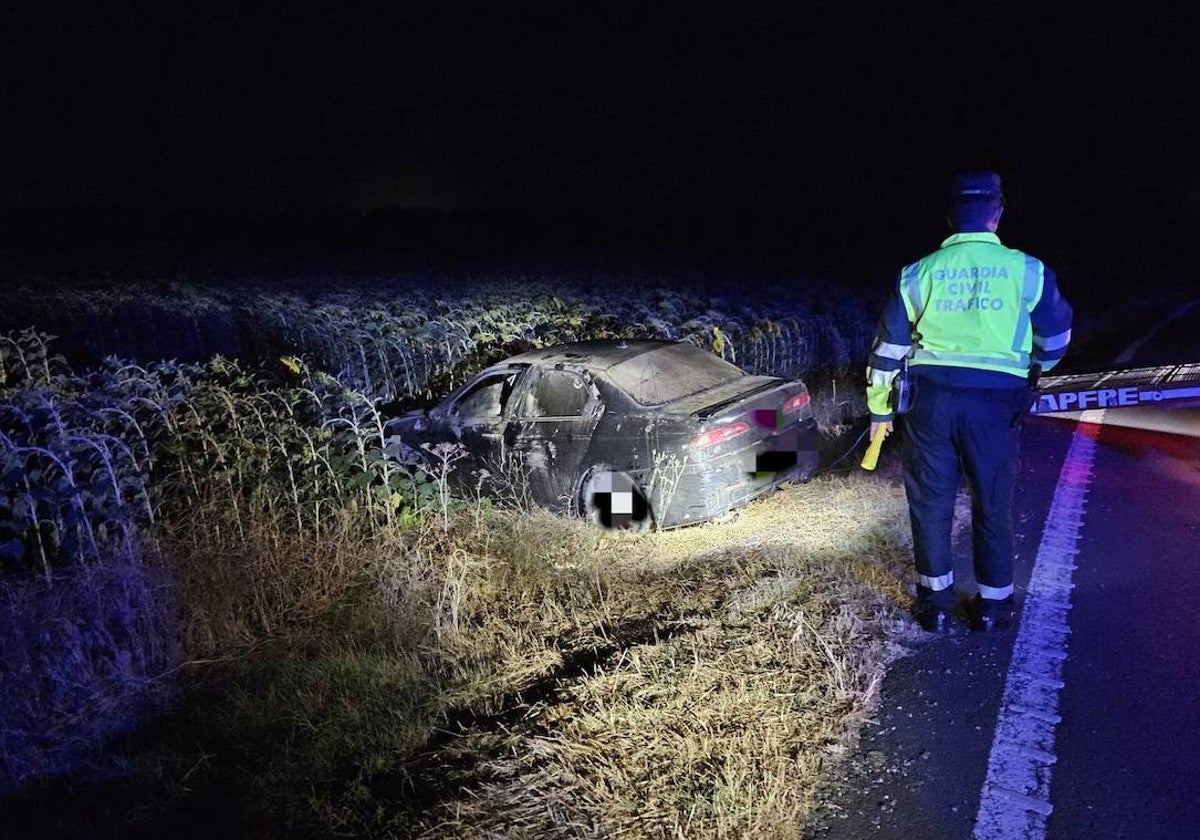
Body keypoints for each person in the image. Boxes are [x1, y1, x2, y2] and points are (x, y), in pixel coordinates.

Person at [865, 171, 1073, 633]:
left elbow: (886, 353)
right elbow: (1056, 338)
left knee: (931, 503)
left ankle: (935, 605)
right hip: (997, 405)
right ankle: (994, 607)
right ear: (998, 213)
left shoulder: (918, 272)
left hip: (929, 404)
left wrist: (881, 409)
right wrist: (1037, 365)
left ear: (949, 217)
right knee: (992, 502)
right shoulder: (1029, 270)